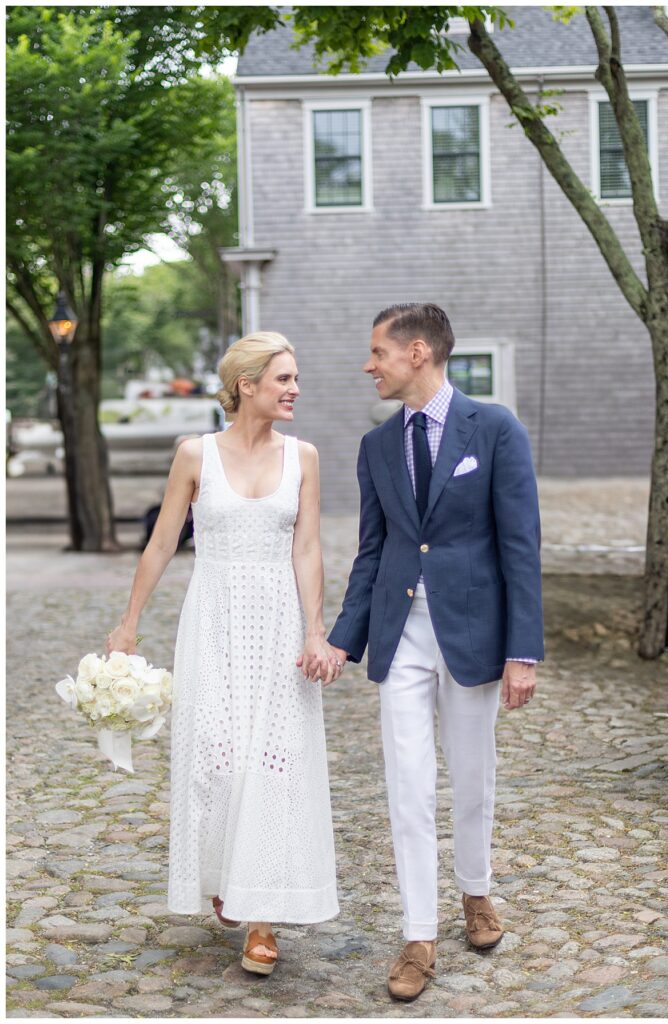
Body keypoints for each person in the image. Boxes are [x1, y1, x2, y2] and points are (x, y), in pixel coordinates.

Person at [328, 303, 543, 1001]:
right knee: (408, 786)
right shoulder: (377, 447)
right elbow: (372, 552)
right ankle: (418, 934)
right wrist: (342, 639)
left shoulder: (496, 427)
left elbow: (519, 545)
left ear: (417, 352)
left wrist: (523, 650)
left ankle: (476, 894)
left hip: (474, 634)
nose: (370, 366)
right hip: (402, 635)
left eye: (377, 353)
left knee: (473, 775)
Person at [107, 331, 340, 976]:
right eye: (284, 379)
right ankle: (225, 875)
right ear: (247, 385)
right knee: (215, 758)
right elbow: (160, 546)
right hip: (211, 621)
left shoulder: (305, 457)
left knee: (272, 762)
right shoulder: (194, 454)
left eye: (295, 378)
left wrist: (315, 632)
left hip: (278, 626)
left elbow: (308, 549)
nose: (295, 389)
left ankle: (262, 920)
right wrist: (128, 626)